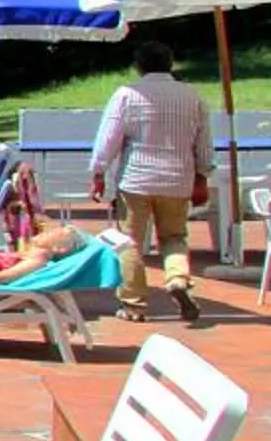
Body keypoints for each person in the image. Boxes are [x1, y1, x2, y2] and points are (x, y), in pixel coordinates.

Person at [90, 40, 214, 324]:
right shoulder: (192, 96)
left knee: (128, 242)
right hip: (177, 179)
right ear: (171, 63)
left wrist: (98, 172)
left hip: (136, 179)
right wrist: (202, 176)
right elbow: (204, 143)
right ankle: (177, 277)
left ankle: (134, 304)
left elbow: (109, 137)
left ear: (139, 65)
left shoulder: (128, 95)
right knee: (174, 237)